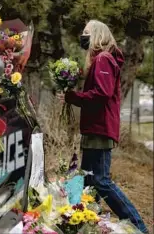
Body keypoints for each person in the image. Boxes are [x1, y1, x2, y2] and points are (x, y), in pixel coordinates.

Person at [57, 20, 148, 233]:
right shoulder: (100, 60)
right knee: (88, 180)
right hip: (93, 129)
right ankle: (86, 224)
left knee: (101, 181)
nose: (83, 36)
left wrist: (74, 97)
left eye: (86, 33)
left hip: (100, 129)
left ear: (97, 35)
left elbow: (102, 94)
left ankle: (138, 226)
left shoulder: (104, 59)